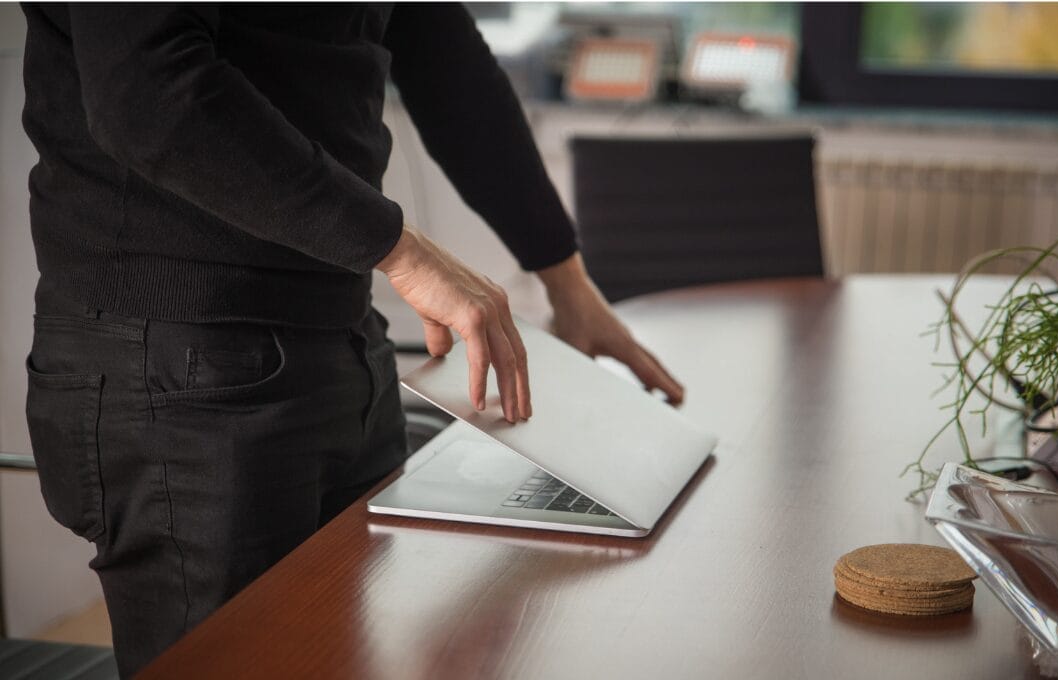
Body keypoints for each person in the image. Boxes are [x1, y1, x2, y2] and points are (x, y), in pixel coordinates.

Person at [20, 4, 683, 676]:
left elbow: (447, 65)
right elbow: (147, 91)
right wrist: (401, 250)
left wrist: (565, 281)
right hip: (180, 363)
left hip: (340, 332)